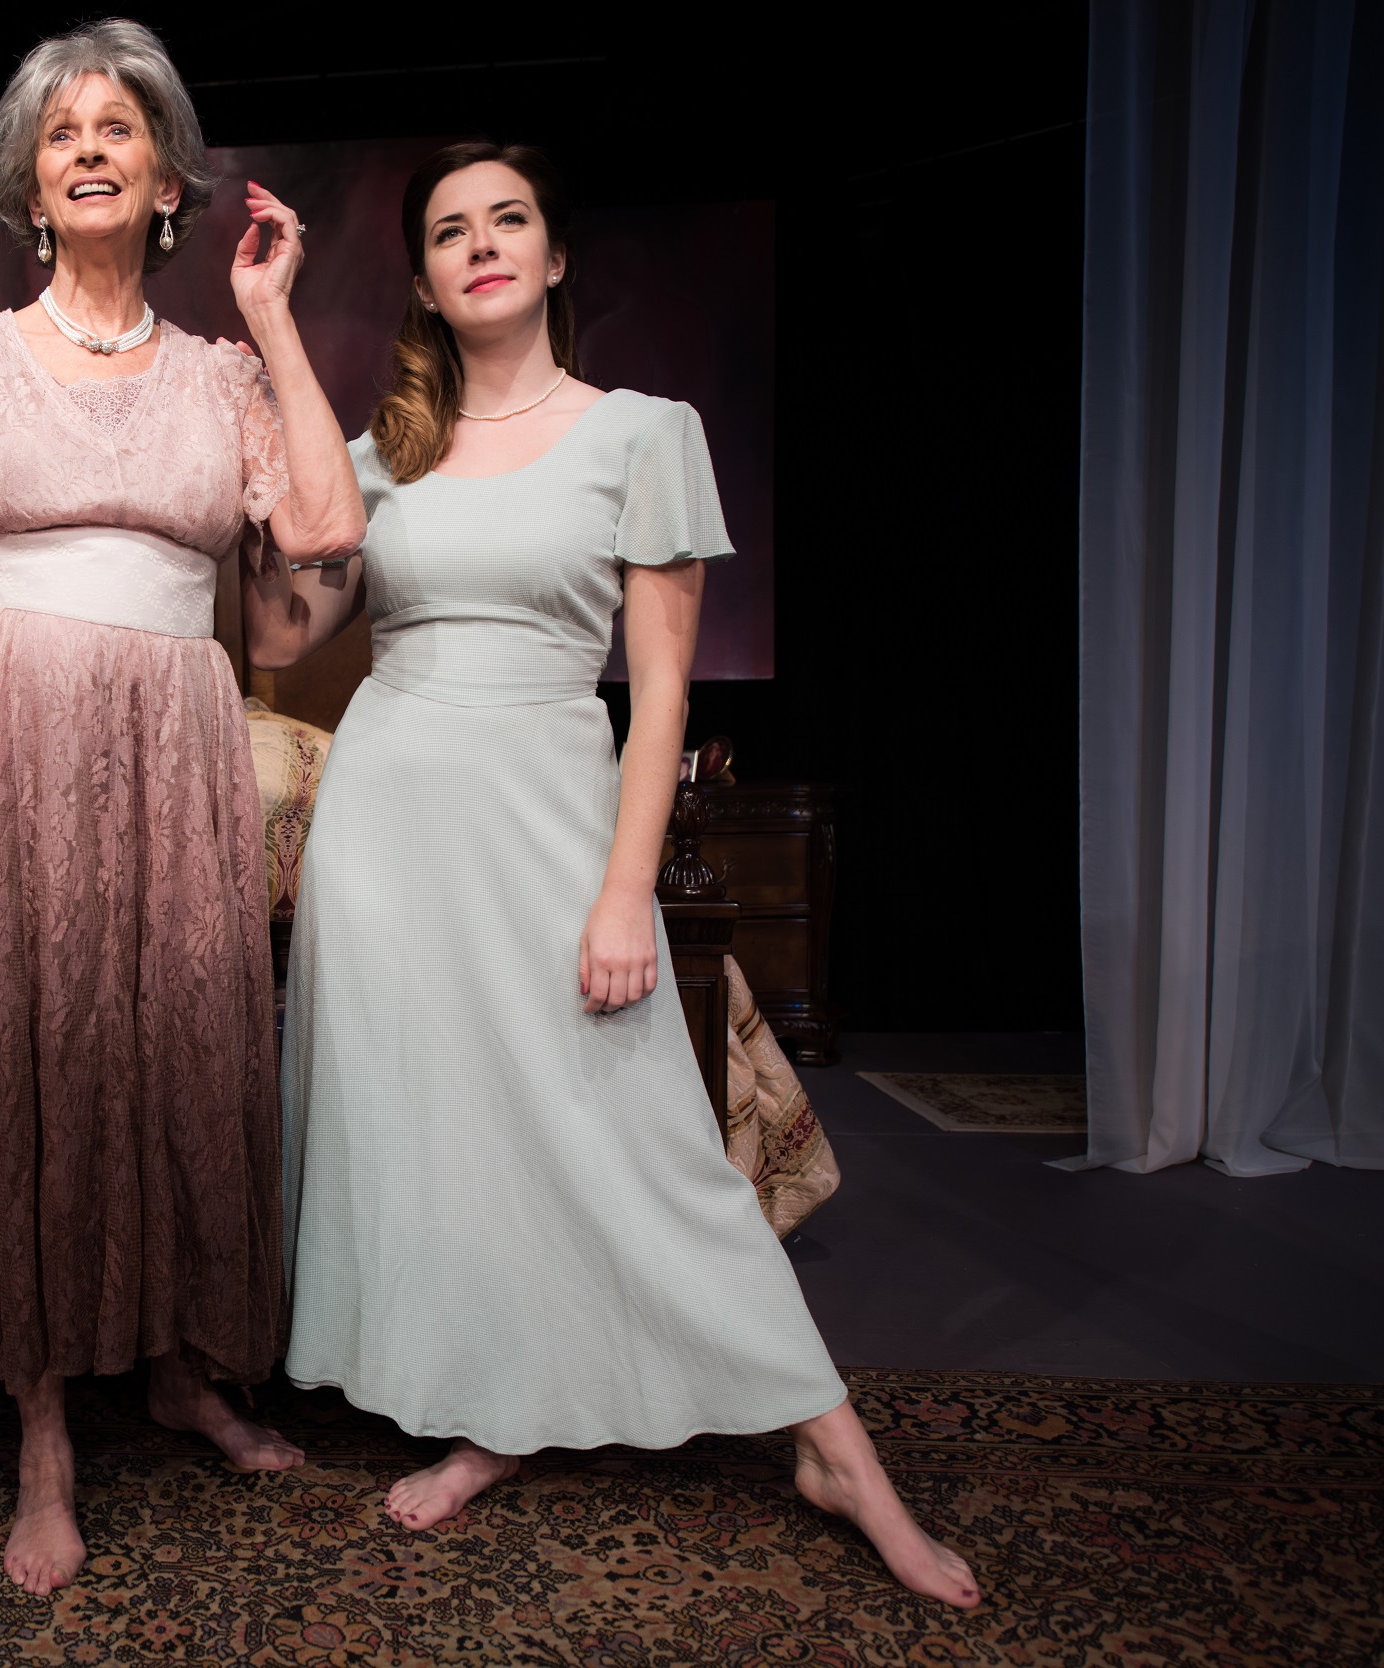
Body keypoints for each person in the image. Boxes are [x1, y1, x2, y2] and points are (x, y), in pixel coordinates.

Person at [258, 142, 981, 1610]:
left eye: (508, 219)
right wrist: (272, 324)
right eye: (451, 230)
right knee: (445, 1140)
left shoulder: (645, 432)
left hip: (547, 818)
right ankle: (498, 1416)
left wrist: (618, 890)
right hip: (391, 831)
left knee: (643, 1142)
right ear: (418, 280)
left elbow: (660, 700)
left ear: (556, 253)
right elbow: (280, 640)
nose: (482, 245)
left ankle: (831, 1443)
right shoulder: (382, 449)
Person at [0, 18, 365, 1597]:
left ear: (170, 176)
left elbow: (322, 534)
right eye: (63, 133)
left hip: (172, 745)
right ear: (30, 188)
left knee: (179, 1052)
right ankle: (46, 1431)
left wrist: (272, 319)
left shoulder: (216, 372)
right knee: (24, 1065)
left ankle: (182, 1367)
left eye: (121, 125)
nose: (91, 146)